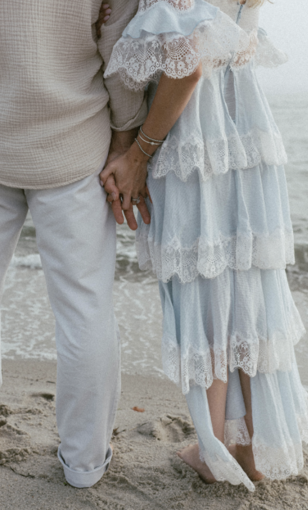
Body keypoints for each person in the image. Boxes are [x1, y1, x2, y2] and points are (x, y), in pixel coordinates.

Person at [0, 0, 150, 488]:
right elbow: (118, 29)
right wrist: (126, 132)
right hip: (76, 133)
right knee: (85, 307)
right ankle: (84, 462)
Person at [101, 0, 308, 491]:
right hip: (246, 133)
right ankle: (255, 446)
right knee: (251, 292)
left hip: (195, 137)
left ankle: (215, 449)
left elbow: (187, 66)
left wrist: (138, 152)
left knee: (207, 291)